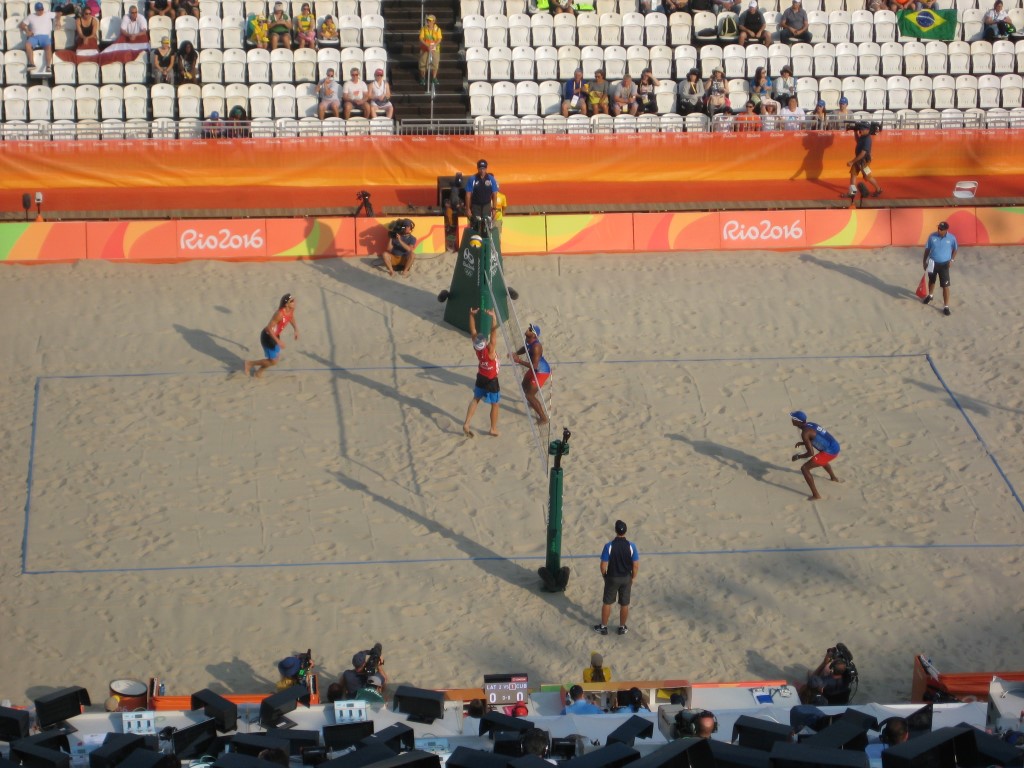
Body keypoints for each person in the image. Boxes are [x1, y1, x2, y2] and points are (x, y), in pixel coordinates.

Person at [593, 519, 639, 636]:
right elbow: (635, 565)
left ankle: (603, 627)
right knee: (624, 604)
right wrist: (633, 578)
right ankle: (622, 627)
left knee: (607, 603)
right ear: (626, 531)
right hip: (626, 578)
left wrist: (605, 577)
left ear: (615, 530)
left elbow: (603, 566)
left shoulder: (609, 546)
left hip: (612, 577)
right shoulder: (631, 546)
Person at [463, 308, 501, 438]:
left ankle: (467, 423)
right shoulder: (490, 351)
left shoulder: (476, 346)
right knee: (495, 404)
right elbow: (494, 332)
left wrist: (471, 314)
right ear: (484, 343)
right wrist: (493, 317)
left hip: (481, 376)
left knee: (476, 399)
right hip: (491, 380)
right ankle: (493, 428)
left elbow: (472, 329)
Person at [790, 410, 841, 501]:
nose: (791, 420)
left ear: (798, 421)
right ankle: (833, 478)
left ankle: (816, 495)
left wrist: (798, 456)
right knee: (821, 458)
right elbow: (816, 436)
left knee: (805, 468)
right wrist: (804, 443)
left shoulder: (805, 433)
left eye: (793, 418)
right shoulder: (810, 424)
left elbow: (810, 453)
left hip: (830, 451)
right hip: (834, 445)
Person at [244, 293, 298, 378]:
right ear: (286, 304)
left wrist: (296, 330)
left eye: (294, 300)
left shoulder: (290, 310)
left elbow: (291, 317)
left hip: (276, 336)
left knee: (274, 359)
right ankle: (250, 363)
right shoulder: (279, 314)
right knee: (273, 361)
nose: (294, 302)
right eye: (292, 301)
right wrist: (278, 341)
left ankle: (258, 372)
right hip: (268, 337)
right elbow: (269, 328)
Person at [513, 323, 550, 425]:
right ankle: (533, 402)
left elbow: (534, 366)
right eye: (529, 327)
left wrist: (518, 361)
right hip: (535, 369)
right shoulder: (528, 340)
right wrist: (516, 353)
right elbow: (524, 348)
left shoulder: (536, 347)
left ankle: (543, 418)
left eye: (531, 329)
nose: (528, 329)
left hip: (542, 371)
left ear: (534, 335)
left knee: (529, 395)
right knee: (524, 385)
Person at [922, 221, 958, 315]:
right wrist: (924, 261)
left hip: (944, 264)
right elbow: (927, 249)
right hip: (932, 262)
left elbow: (955, 249)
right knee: (931, 280)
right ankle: (930, 295)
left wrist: (952, 260)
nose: (939, 230)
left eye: (941, 229)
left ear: (946, 230)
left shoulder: (951, 238)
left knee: (945, 286)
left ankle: (946, 306)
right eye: (938, 228)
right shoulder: (932, 236)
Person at [21, 3, 62, 75]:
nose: (41, 11)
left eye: (42, 9)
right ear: (35, 10)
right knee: (27, 45)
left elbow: (59, 13)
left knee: (48, 47)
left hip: (45, 36)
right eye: (39, 10)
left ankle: (48, 66)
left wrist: (58, 21)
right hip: (34, 36)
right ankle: (32, 64)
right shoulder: (31, 16)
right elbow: (22, 25)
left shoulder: (48, 14)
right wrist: (27, 31)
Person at [847, 122, 882, 198]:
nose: (860, 131)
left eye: (862, 130)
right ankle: (853, 192)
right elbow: (857, 140)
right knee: (853, 175)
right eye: (860, 129)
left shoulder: (867, 139)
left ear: (867, 130)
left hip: (864, 162)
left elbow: (863, 153)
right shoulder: (863, 137)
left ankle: (878, 189)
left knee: (868, 177)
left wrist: (852, 161)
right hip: (858, 160)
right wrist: (855, 132)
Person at [464, 159, 499, 229]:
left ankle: (486, 238)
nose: (482, 170)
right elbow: (468, 195)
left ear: (486, 169)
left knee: (486, 225)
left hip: (487, 205)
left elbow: (494, 194)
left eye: (484, 168)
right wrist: (468, 209)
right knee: (475, 225)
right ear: (477, 168)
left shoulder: (491, 179)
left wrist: (494, 209)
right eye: (480, 168)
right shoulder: (472, 179)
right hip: (475, 206)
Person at [418, 13, 442, 87]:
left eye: (430, 20)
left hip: (435, 49)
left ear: (434, 21)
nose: (428, 21)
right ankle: (422, 78)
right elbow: (421, 38)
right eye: (428, 20)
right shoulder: (424, 28)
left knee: (435, 63)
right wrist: (427, 45)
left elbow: (439, 39)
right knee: (423, 63)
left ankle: (434, 78)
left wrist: (434, 45)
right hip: (425, 48)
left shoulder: (437, 29)